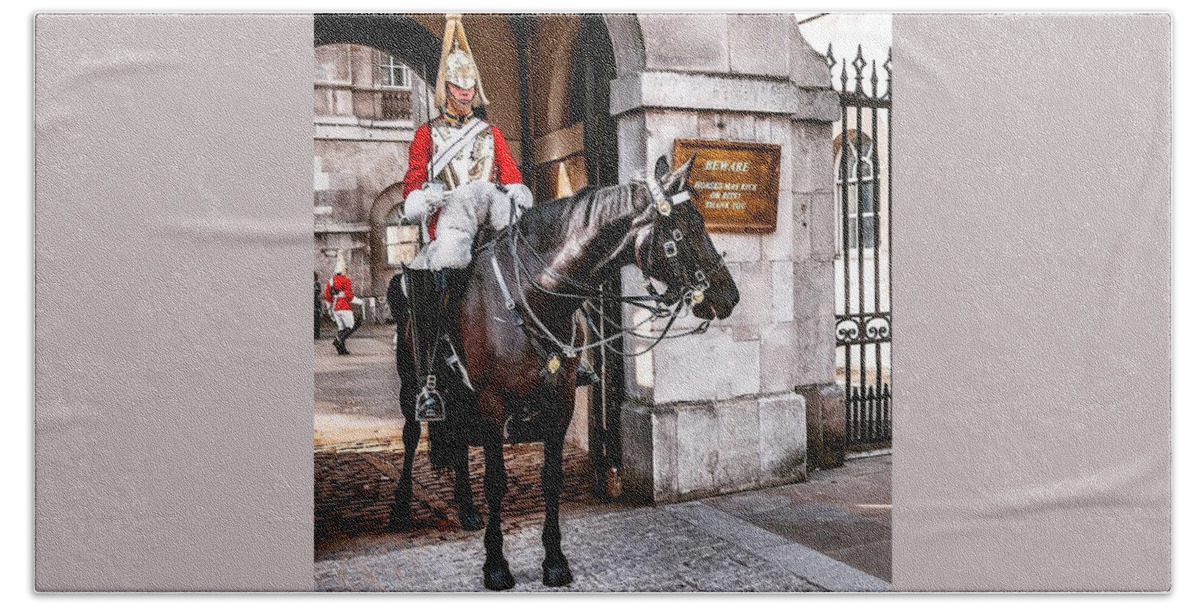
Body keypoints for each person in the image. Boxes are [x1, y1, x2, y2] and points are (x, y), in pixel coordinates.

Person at [400, 13, 533, 271]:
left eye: (470, 86)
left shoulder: (491, 132)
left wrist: (516, 188)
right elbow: (413, 183)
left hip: (491, 220)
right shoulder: (426, 134)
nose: (465, 92)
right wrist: (424, 197)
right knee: (447, 265)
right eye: (458, 85)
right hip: (447, 222)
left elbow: (510, 174)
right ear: (446, 87)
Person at [323, 252, 360, 355]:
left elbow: (327, 296)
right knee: (351, 326)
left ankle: (341, 349)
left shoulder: (330, 281)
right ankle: (338, 339)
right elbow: (349, 295)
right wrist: (359, 301)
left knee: (341, 328)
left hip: (335, 307)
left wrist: (329, 309)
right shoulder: (346, 280)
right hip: (344, 306)